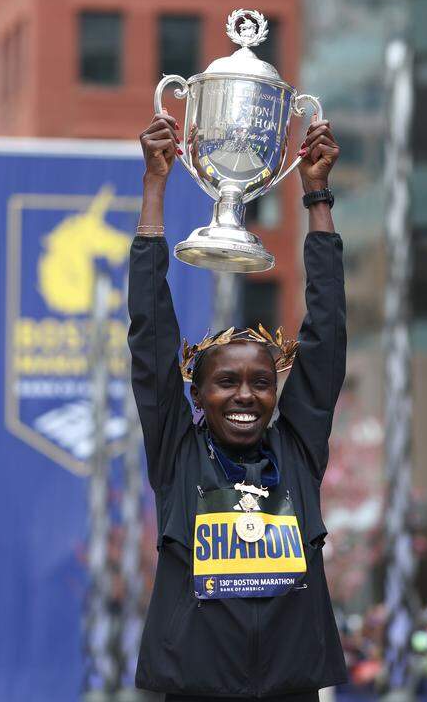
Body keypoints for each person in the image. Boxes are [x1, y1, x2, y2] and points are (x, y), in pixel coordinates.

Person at [129, 109, 347, 701]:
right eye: (226, 382)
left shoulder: (298, 449)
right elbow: (150, 335)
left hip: (290, 689)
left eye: (259, 382)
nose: (245, 395)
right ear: (197, 393)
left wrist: (317, 196)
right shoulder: (178, 454)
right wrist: (155, 187)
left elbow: (326, 333)